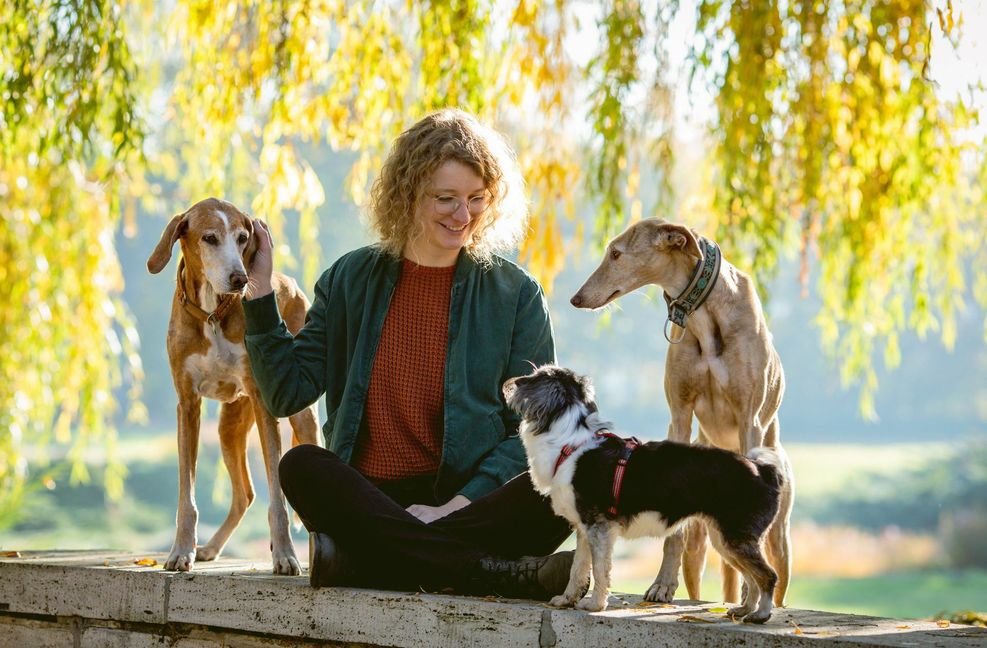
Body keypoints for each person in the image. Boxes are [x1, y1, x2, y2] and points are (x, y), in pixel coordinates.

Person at [242, 109, 576, 598]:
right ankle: (492, 572)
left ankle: (368, 559)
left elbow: (534, 432)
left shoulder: (517, 294)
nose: (463, 216)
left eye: (476, 199)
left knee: (563, 483)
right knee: (302, 466)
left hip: (472, 498)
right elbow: (284, 393)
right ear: (407, 194)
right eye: (446, 198)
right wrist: (258, 294)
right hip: (371, 497)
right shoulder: (348, 279)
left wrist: (454, 506)